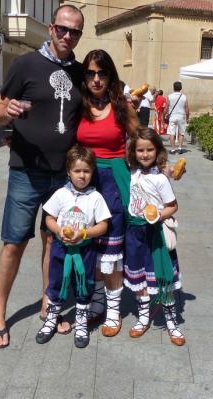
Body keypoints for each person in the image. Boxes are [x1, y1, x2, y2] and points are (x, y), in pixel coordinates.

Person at [0, 5, 85, 348]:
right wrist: (7, 111)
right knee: (14, 242)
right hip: (26, 171)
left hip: (63, 175)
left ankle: (49, 303)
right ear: (50, 28)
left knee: (54, 241)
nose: (67, 36)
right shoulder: (25, 64)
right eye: (62, 29)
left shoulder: (79, 72)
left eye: (75, 31)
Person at [76, 49, 138, 337]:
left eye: (102, 73)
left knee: (111, 251)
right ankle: (98, 302)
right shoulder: (78, 105)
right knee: (89, 247)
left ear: (111, 76)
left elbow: (142, 140)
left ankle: (113, 311)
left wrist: (161, 168)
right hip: (84, 182)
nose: (96, 79)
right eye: (90, 73)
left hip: (113, 181)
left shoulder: (122, 106)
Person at [37, 145, 111, 348]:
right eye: (77, 171)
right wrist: (58, 230)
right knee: (55, 283)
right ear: (68, 172)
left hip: (85, 251)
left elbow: (103, 225)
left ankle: (81, 323)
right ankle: (51, 319)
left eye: (86, 171)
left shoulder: (95, 197)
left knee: (83, 285)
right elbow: (49, 218)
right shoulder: (61, 194)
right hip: (60, 249)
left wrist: (85, 233)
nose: (82, 175)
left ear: (92, 172)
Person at [124, 127, 185, 346]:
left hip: (156, 234)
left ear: (157, 150)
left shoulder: (160, 179)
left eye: (150, 150)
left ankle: (171, 321)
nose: (145, 154)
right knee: (139, 279)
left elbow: (173, 206)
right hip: (134, 234)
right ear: (133, 152)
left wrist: (158, 216)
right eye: (140, 150)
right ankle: (143, 318)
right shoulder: (131, 172)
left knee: (163, 278)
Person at [165, 81, 189, 154]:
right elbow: (187, 108)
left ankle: (173, 149)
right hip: (181, 116)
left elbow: (166, 107)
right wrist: (187, 117)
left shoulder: (169, 96)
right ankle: (180, 148)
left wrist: (163, 115)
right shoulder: (184, 97)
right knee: (181, 133)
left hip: (172, 116)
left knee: (172, 133)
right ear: (181, 88)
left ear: (173, 88)